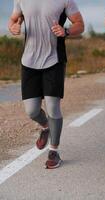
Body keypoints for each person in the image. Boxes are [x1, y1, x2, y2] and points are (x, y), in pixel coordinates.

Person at [8, 0, 84, 169]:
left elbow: (80, 24)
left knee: (52, 106)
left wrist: (66, 31)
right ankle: (45, 127)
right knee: (32, 110)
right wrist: (13, 27)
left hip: (54, 60)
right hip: (28, 61)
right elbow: (13, 20)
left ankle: (54, 151)